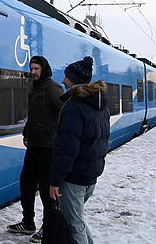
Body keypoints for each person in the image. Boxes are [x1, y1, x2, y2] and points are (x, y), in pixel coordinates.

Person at [48, 56, 110, 244]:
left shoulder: (75, 107)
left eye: (66, 77)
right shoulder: (100, 105)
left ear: (73, 80)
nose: (63, 80)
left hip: (74, 176)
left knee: (74, 224)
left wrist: (55, 180)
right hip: (90, 173)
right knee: (77, 221)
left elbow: (67, 149)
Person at [7, 56, 64, 243]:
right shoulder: (35, 87)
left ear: (44, 69)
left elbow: (63, 112)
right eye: (31, 68)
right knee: (26, 183)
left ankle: (47, 227)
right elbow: (34, 115)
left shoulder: (52, 87)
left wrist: (50, 130)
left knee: (47, 190)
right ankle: (28, 221)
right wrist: (26, 131)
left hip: (48, 146)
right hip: (34, 144)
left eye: (36, 69)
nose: (33, 72)